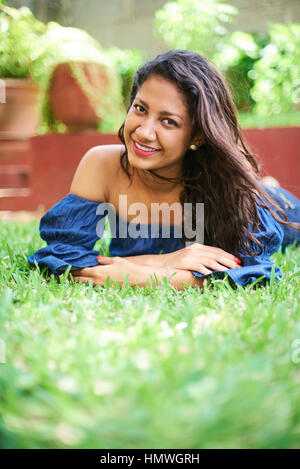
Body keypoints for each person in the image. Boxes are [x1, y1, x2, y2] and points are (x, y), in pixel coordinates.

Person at [28, 50, 300, 290]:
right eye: (140, 108)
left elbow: (253, 275)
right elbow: (60, 256)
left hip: (280, 209)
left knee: (273, 199)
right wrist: (165, 261)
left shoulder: (230, 187)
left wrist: (141, 276)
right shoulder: (101, 165)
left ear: (197, 136)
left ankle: (269, 186)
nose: (144, 132)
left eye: (169, 121)